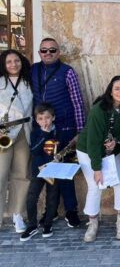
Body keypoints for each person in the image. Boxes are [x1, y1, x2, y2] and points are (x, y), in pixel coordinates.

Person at [31, 38, 83, 228]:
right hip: (43, 130)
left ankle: (71, 210)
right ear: (39, 53)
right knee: (47, 171)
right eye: (44, 50)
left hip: (66, 129)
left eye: (52, 50)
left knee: (66, 171)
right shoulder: (33, 70)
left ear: (58, 52)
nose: (48, 53)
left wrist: (80, 130)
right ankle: (50, 211)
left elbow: (77, 101)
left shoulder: (67, 72)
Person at [76, 76, 120, 242]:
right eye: (117, 88)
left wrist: (117, 142)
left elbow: (119, 131)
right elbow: (93, 141)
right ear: (110, 90)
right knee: (95, 185)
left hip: (110, 151)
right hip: (89, 152)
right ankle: (92, 223)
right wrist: (97, 168)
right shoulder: (99, 109)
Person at [0, 49, 33, 233]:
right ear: (4, 65)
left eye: (17, 60)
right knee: (0, 175)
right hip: (3, 132)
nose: (13, 64)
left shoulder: (29, 81)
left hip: (24, 130)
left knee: (22, 174)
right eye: (9, 62)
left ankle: (17, 214)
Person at [20, 103, 61, 241]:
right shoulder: (35, 132)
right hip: (39, 169)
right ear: (36, 120)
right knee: (32, 196)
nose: (45, 121)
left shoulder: (58, 131)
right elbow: (34, 150)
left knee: (52, 197)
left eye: (48, 118)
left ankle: (47, 223)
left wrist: (59, 156)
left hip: (53, 170)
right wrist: (44, 134)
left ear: (53, 118)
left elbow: (62, 149)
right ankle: (32, 225)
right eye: (41, 118)